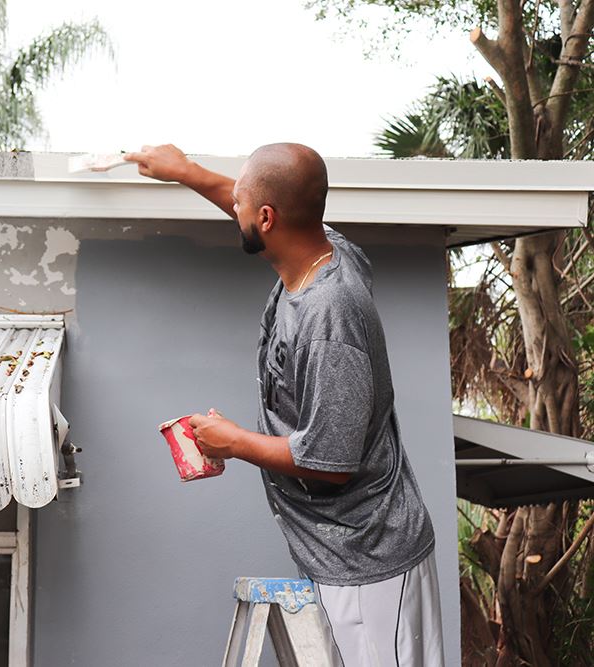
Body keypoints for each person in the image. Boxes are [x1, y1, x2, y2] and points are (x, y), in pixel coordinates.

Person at [125, 144, 444, 666]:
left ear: (267, 218)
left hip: (369, 563)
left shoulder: (327, 318)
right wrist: (184, 172)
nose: (235, 210)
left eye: (242, 205)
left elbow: (330, 464)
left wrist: (235, 443)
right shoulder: (326, 248)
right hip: (343, 552)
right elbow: (256, 199)